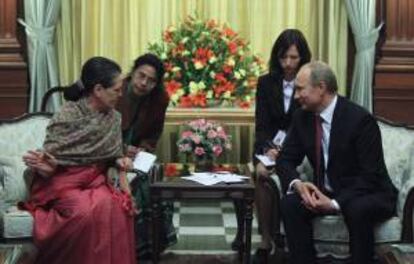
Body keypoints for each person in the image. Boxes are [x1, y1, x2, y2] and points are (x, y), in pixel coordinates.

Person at [276, 61, 398, 264]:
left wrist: (334, 204)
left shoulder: (360, 120)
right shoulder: (302, 118)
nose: (296, 96)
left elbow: (371, 176)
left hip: (369, 192)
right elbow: (285, 160)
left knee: (356, 208)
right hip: (328, 190)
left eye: (300, 89)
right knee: (290, 204)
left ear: (321, 88)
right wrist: (298, 185)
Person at [21, 57, 136, 264]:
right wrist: (48, 167)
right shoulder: (68, 114)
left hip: (96, 180)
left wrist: (120, 161)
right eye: (117, 89)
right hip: (61, 181)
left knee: (116, 207)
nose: (121, 94)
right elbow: (50, 159)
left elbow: (112, 155)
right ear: (99, 89)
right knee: (84, 211)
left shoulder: (113, 117)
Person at [246, 29, 311, 263]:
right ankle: (266, 239)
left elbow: (308, 123)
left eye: (294, 58)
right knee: (262, 173)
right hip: (269, 146)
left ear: (303, 57)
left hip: (300, 147)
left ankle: (286, 235)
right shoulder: (266, 83)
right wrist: (267, 148)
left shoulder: (310, 82)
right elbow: (261, 123)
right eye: (284, 57)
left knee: (284, 173)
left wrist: (286, 151)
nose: (288, 63)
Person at [116, 53, 176, 260]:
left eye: (151, 81)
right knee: (141, 186)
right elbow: (99, 130)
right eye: (141, 76)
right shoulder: (116, 90)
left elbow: (153, 134)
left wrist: (143, 149)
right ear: (132, 73)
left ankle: (156, 243)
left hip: (138, 153)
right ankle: (138, 247)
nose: (144, 83)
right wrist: (123, 148)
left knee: (155, 179)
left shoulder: (160, 99)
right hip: (111, 151)